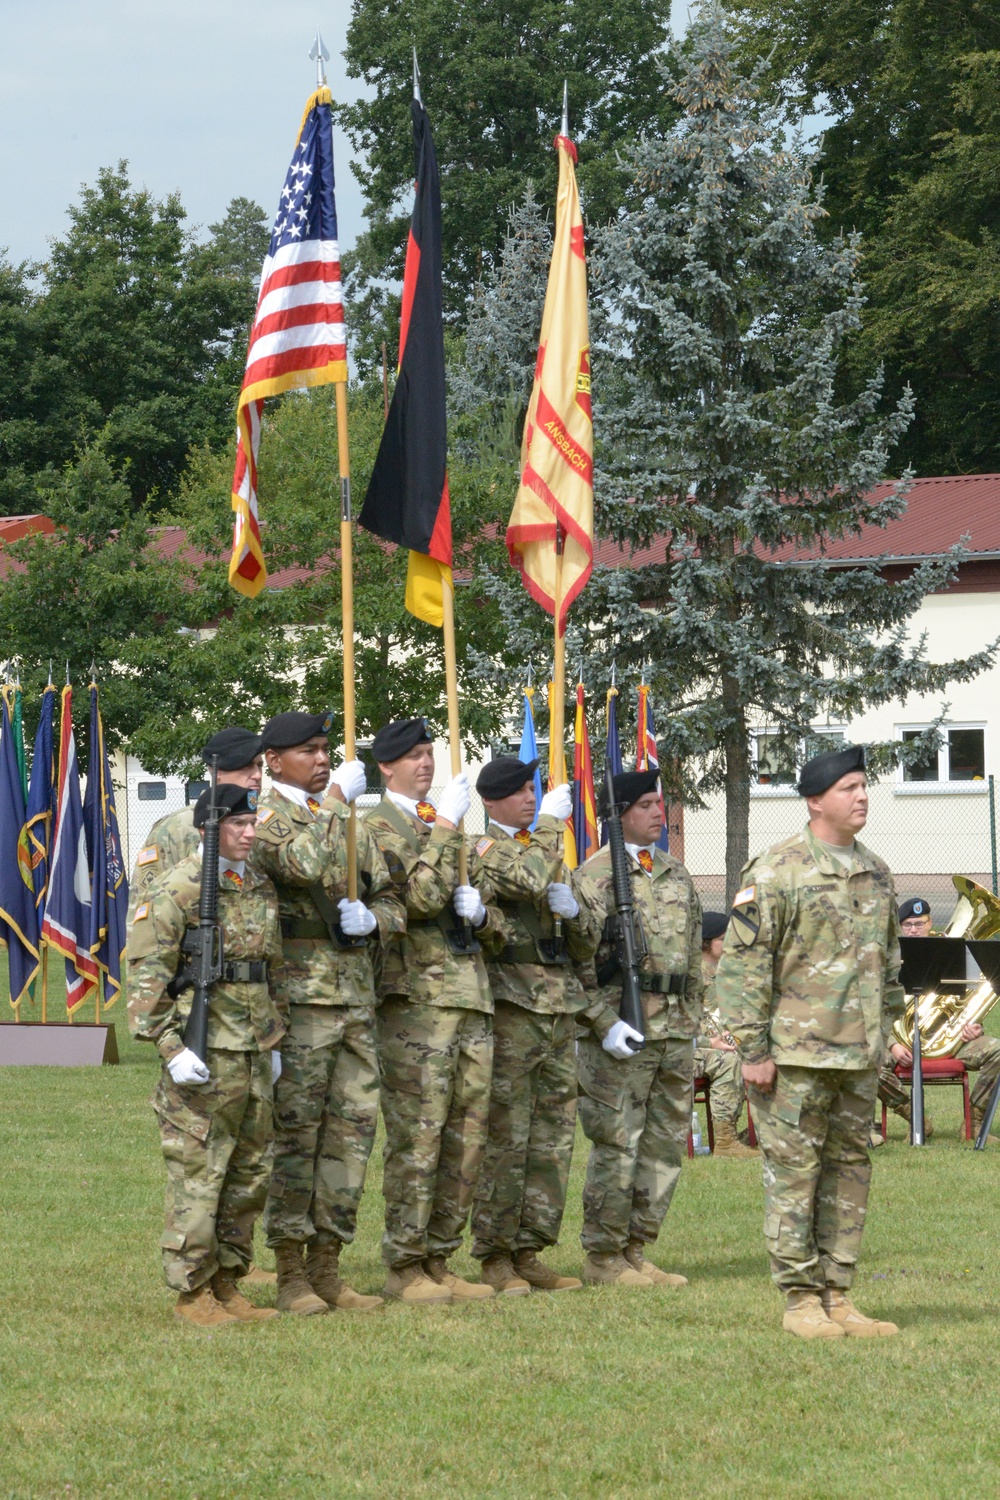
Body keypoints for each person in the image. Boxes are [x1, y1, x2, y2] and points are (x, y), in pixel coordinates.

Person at [715, 743, 902, 1340]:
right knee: (795, 1175)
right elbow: (743, 968)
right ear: (815, 800)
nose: (863, 796)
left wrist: (886, 1036)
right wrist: (752, 1052)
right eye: (849, 787)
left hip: (858, 1055)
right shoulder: (776, 870)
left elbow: (889, 966)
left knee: (849, 1172)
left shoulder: (876, 871)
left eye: (864, 786)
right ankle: (799, 1300)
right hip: (794, 1057)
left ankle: (838, 1294)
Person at [249, 710, 406, 1316]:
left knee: (351, 1136)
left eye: (325, 750)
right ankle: (289, 1269)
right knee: (297, 1136)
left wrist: (375, 919)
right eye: (308, 751)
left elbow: (391, 895)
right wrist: (338, 799)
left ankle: (328, 1265)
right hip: (298, 1003)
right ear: (273, 760)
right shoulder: (263, 817)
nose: (320, 760)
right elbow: (302, 866)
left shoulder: (349, 822)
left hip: (354, 998)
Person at [126, 784, 284, 1328]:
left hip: (253, 1051)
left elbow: (271, 967)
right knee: (199, 1173)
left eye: (251, 822)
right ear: (206, 831)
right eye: (236, 825)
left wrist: (274, 1038)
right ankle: (192, 1293)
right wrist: (170, 1049)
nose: (248, 832)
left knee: (249, 1173)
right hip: (202, 1052)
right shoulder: (176, 889)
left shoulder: (258, 884)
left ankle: (228, 1283)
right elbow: (147, 978)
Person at [364, 717, 503, 1304]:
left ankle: (440, 1257)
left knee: (468, 1137)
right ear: (386, 767)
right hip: (417, 1001)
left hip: (470, 994)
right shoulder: (375, 826)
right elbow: (416, 898)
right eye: (415, 756)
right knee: (419, 1135)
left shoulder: (447, 823)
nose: (427, 764)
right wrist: (447, 824)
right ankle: (405, 1263)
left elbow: (486, 910)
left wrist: (481, 913)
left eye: (430, 753)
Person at [470, 757, 604, 1295]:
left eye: (534, 789)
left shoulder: (546, 855)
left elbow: (587, 941)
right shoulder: (484, 850)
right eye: (519, 791)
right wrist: (551, 825)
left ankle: (531, 1247)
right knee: (507, 1136)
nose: (530, 797)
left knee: (551, 1140)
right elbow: (527, 878)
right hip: (512, 1008)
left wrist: (574, 914)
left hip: (558, 1008)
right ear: (490, 802)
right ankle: (495, 1253)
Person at [576, 769, 703, 1289]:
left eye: (660, 803)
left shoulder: (675, 872)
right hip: (623, 1029)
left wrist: (692, 1017)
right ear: (619, 813)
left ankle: (635, 1248)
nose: (658, 812)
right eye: (646, 804)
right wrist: (604, 1023)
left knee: (664, 1145)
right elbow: (578, 967)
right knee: (618, 1142)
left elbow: (695, 955)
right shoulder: (595, 876)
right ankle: (602, 1255)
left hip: (673, 1028)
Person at [880, 896, 1000, 1142]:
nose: (914, 930)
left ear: (930, 923)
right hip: (900, 1044)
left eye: (919, 923)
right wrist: (892, 1043)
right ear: (900, 927)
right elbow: (873, 1009)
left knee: (998, 1051)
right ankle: (915, 1118)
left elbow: (969, 1001)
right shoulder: (887, 960)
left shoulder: (951, 955)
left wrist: (975, 1027)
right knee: (864, 1057)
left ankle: (973, 1125)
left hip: (951, 1043)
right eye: (908, 925)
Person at [128, 726, 264, 910]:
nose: (257, 775)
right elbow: (145, 904)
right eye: (246, 766)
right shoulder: (176, 828)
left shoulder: (269, 820)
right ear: (217, 772)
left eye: (259, 765)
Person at [692, 911, 757, 1158]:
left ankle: (762, 1133)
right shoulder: (694, 975)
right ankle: (725, 1142)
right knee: (730, 1061)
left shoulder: (725, 972)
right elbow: (685, 1021)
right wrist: (712, 1041)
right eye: (724, 937)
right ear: (706, 941)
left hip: (719, 1042)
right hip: (695, 1047)